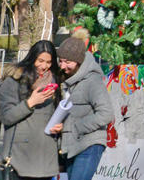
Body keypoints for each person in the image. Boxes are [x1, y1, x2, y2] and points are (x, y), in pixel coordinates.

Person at [49, 36, 114, 180]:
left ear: (79, 62)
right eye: (61, 61)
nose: (63, 66)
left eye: (68, 62)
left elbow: (106, 113)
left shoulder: (92, 81)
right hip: (70, 145)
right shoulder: (65, 79)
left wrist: (76, 126)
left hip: (89, 144)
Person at [0, 40, 62, 180]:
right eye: (40, 60)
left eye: (48, 62)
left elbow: (58, 112)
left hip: (45, 156)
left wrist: (60, 125)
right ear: (32, 58)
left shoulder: (55, 81)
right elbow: (7, 117)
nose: (44, 66)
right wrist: (30, 103)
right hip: (19, 157)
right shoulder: (14, 80)